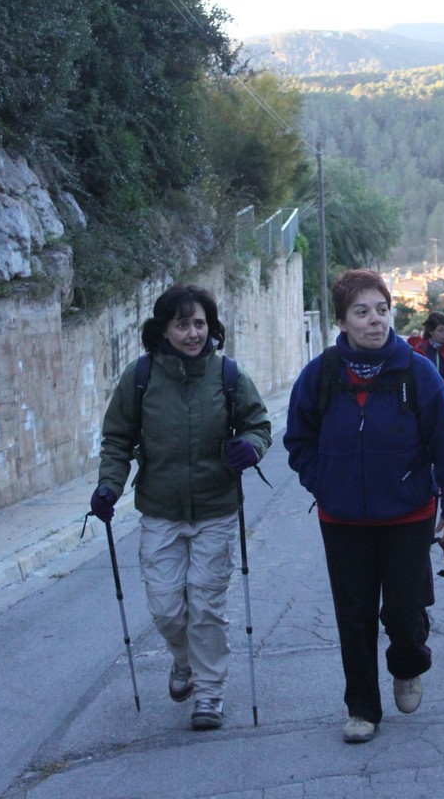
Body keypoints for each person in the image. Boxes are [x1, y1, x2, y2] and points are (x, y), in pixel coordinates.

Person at [283, 269, 444, 744]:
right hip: (341, 518)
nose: (375, 321)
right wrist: (324, 483)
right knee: (354, 615)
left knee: (405, 614)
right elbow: (298, 440)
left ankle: (407, 664)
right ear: (341, 321)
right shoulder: (321, 375)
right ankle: (362, 708)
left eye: (382, 310)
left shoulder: (417, 372)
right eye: (362, 312)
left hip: (408, 515)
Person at [90, 285, 272, 731]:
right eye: (182, 324)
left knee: (205, 604)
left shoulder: (228, 375)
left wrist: (250, 446)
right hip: (160, 510)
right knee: (167, 607)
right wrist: (109, 486)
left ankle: (209, 693)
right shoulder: (140, 377)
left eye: (199, 324)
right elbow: (117, 439)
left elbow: (259, 424)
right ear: (163, 330)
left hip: (216, 509)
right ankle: (186, 662)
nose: (193, 333)